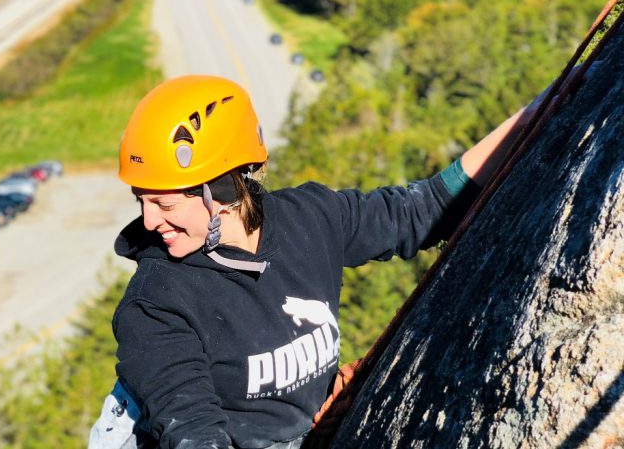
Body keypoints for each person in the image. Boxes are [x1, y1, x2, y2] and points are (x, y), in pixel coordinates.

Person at [89, 73, 554, 449]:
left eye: (165, 205)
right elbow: (191, 428)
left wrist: (544, 106)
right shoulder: (155, 303)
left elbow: (422, 210)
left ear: (226, 190)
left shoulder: (310, 218)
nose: (150, 222)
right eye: (142, 201)